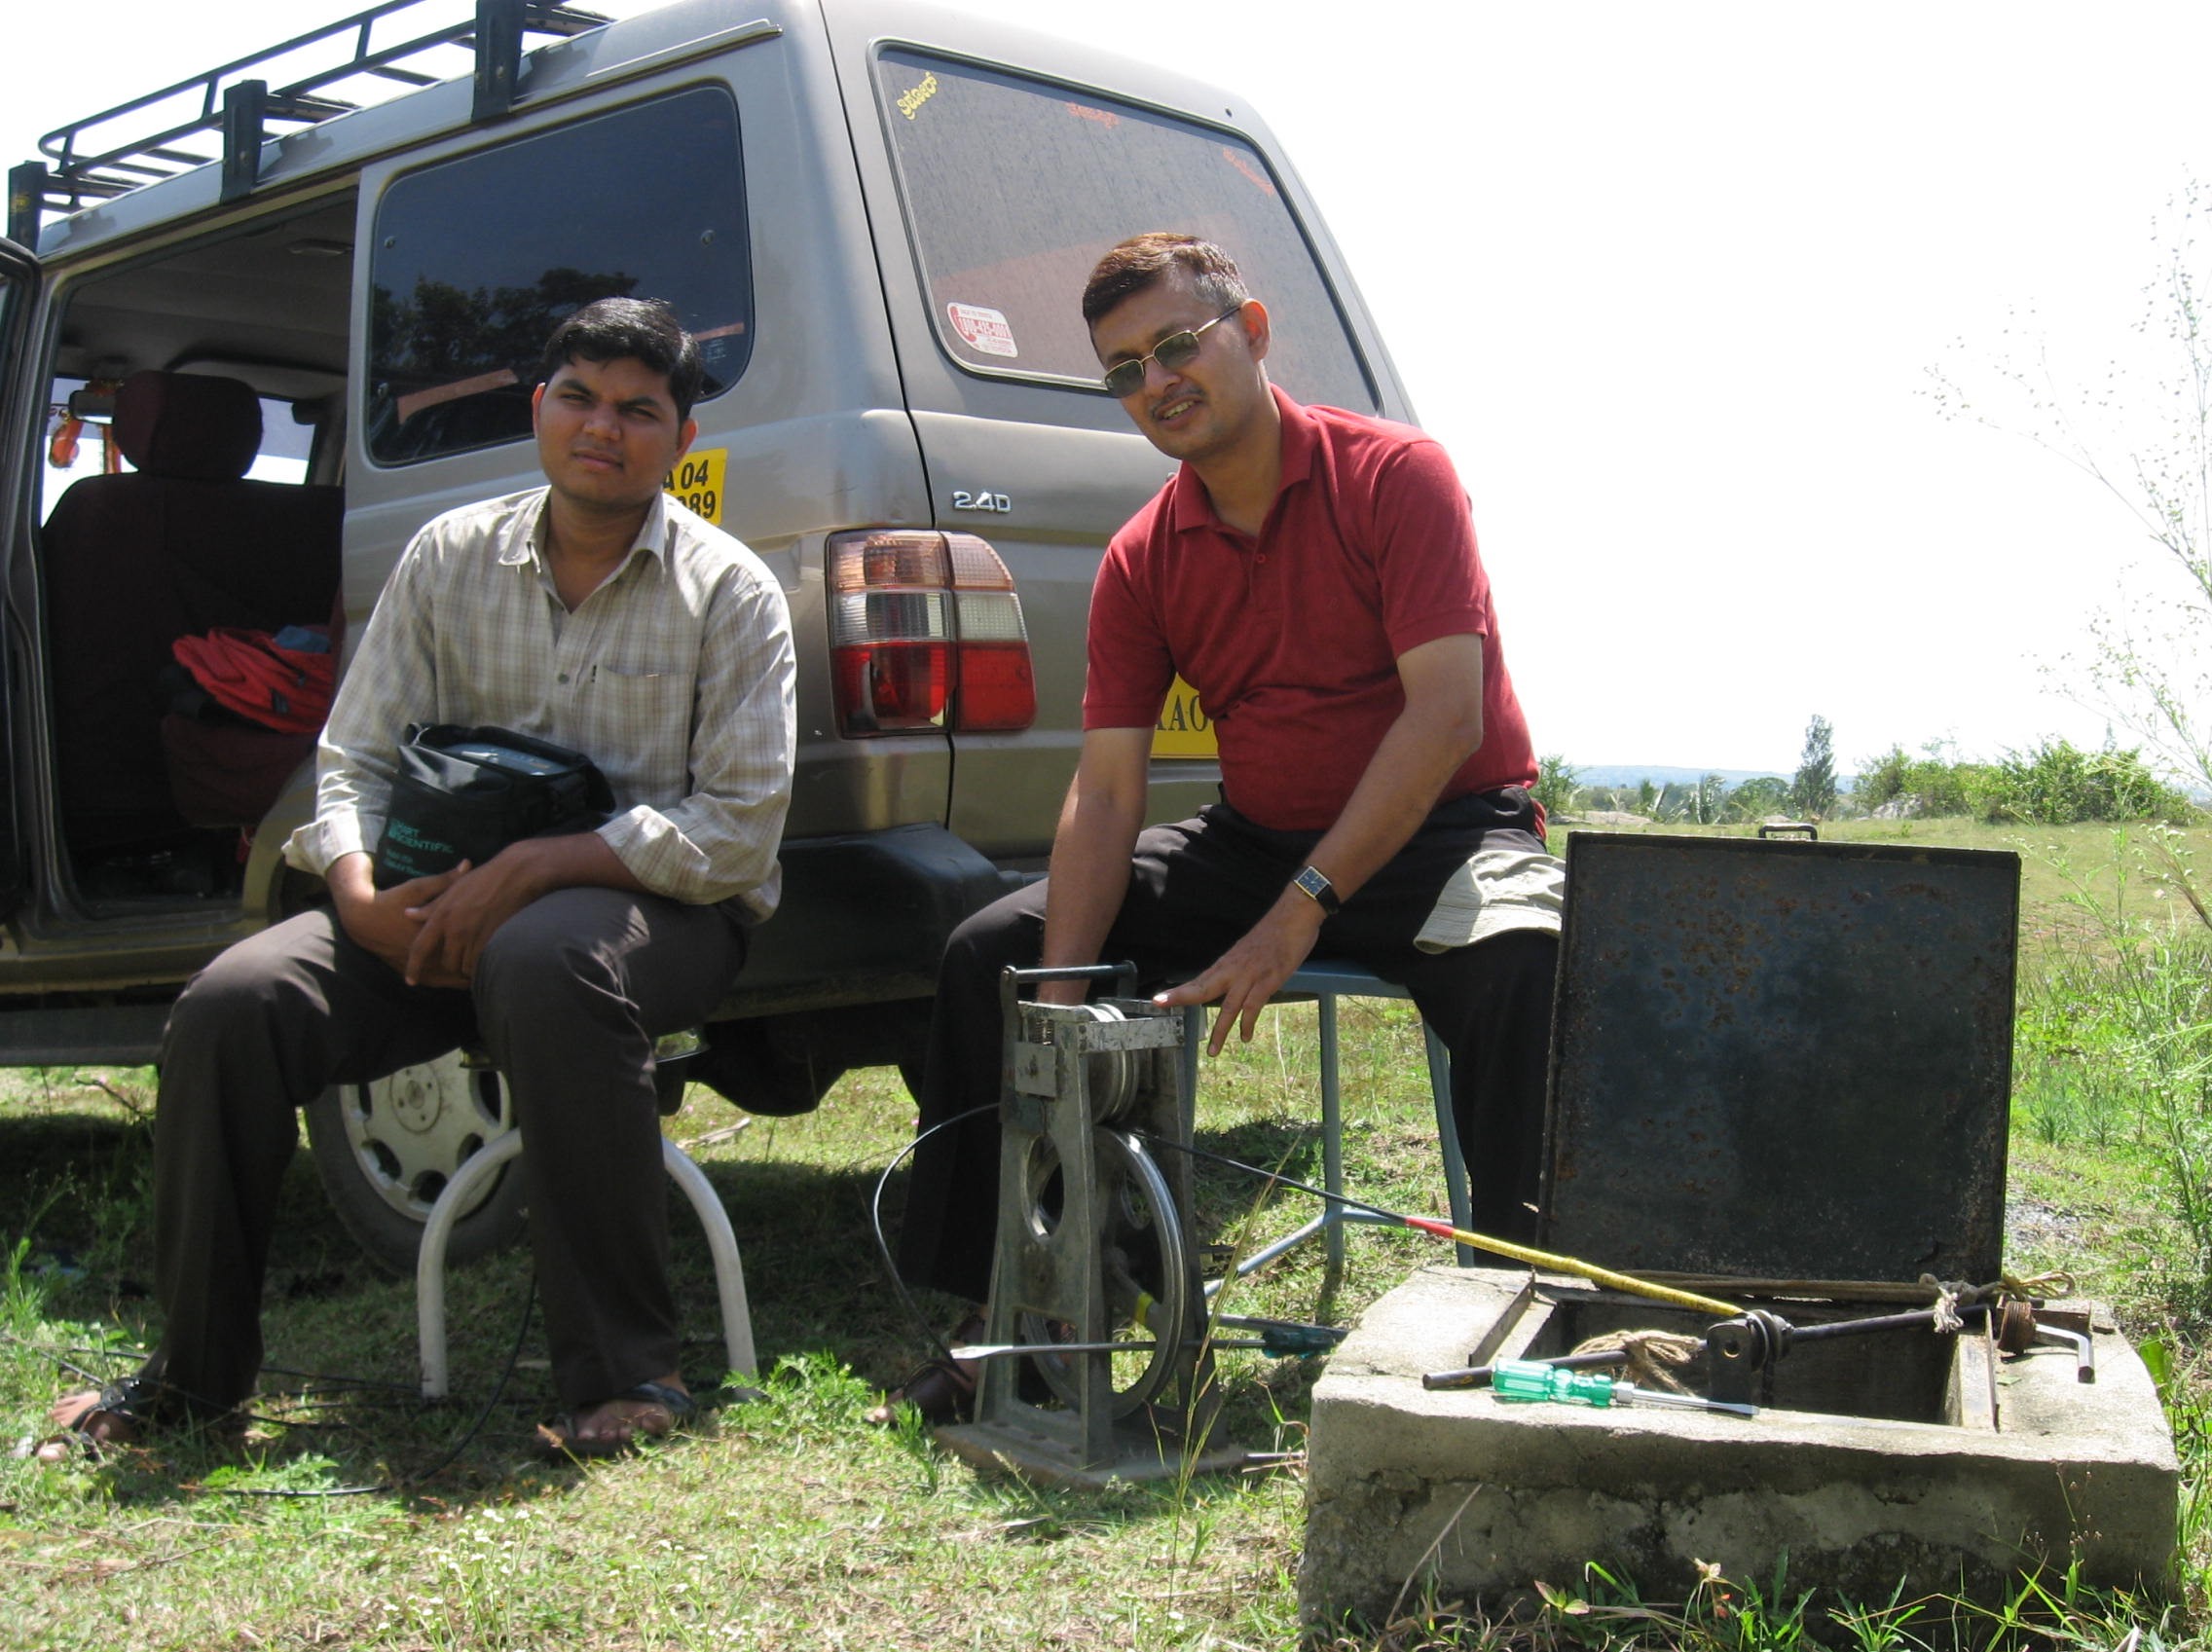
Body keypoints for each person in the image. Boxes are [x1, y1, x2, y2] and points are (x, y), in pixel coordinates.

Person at [50, 298, 796, 1456]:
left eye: (639, 410)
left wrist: (537, 866)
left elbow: (738, 831)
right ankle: (194, 1382)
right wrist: (351, 894)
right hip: (424, 915)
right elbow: (349, 759)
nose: (604, 428)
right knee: (231, 1006)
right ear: (538, 409)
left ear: (679, 440)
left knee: (544, 956)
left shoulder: (730, 590)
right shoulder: (448, 558)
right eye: (578, 398)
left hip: (657, 920)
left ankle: (621, 1377)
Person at [874, 235, 1562, 1423]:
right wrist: (1055, 1004)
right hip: (1258, 835)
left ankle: (1527, 1304)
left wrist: (1295, 915)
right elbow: (1104, 791)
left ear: (1248, 330)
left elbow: (1445, 719)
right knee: (996, 949)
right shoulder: (1143, 555)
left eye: (1176, 344)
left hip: (1451, 830)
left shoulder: (1396, 474)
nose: (1156, 383)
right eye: (1124, 368)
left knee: (1525, 963)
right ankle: (1016, 1313)